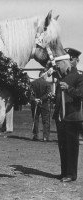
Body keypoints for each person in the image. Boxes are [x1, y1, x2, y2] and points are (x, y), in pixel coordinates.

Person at [52, 47, 83, 182]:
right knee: (63, 146)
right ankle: (64, 172)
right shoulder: (61, 77)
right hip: (60, 117)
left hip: (72, 116)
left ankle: (71, 174)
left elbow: (80, 94)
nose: (68, 61)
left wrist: (68, 88)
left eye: (70, 58)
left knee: (72, 146)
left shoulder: (79, 77)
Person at [30, 70, 52, 142]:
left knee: (35, 120)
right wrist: (41, 99)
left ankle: (35, 136)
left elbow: (29, 94)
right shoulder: (47, 84)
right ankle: (45, 137)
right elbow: (48, 94)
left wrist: (35, 99)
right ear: (44, 75)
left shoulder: (33, 83)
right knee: (45, 120)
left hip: (35, 103)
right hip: (44, 103)